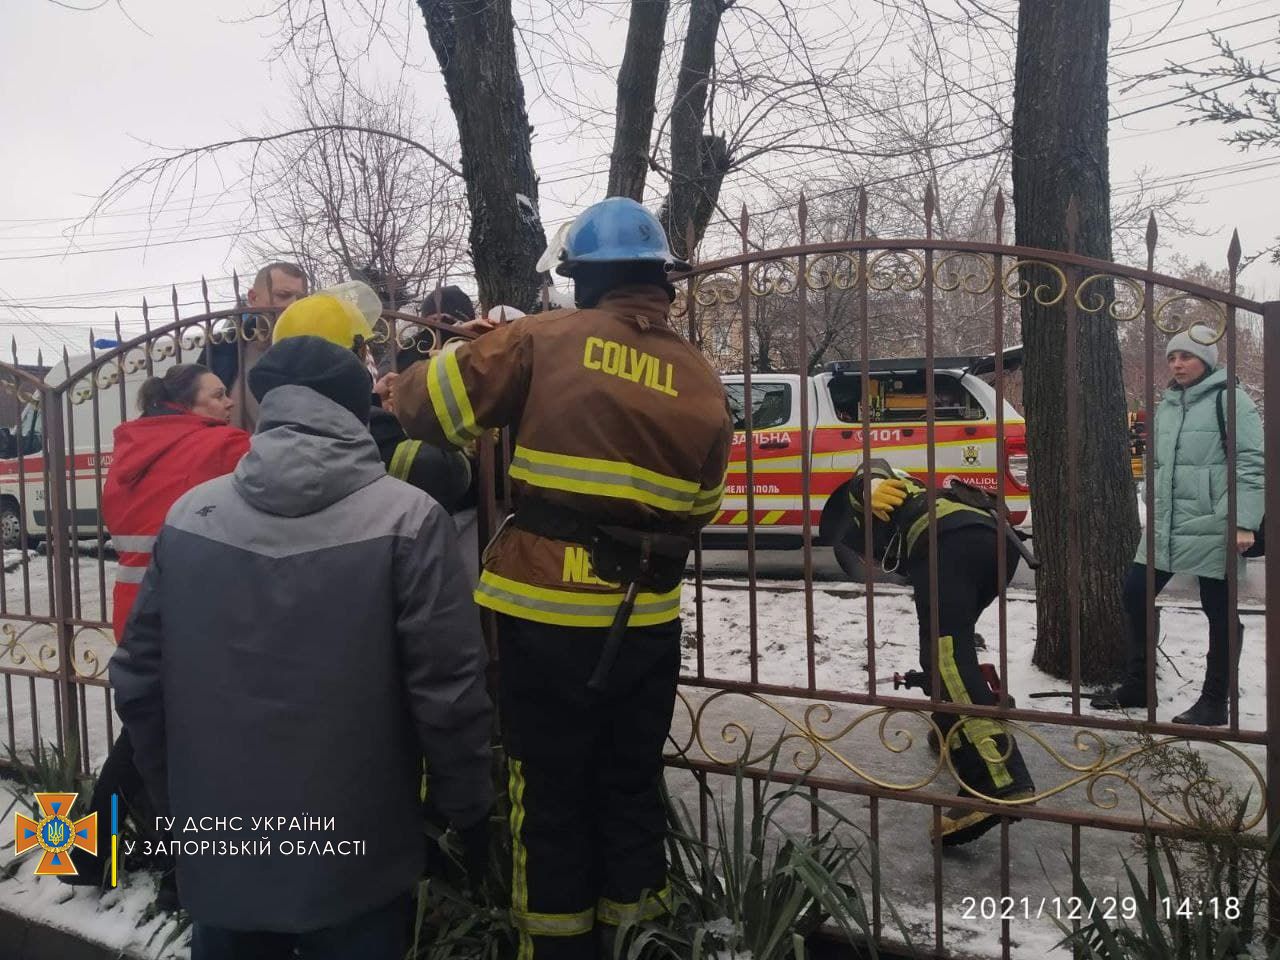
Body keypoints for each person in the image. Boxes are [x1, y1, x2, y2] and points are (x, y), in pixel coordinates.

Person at [391, 196, 732, 959]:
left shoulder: (541, 339)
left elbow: (428, 410)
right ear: (657, 280)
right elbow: (703, 505)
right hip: (646, 620)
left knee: (547, 799)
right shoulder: (701, 378)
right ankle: (636, 943)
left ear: (584, 279)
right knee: (629, 790)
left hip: (546, 615)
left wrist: (457, 353)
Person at [110, 336, 494, 960]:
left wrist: (177, 803)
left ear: (263, 408)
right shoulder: (408, 519)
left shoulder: (188, 518)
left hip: (224, 844)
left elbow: (137, 680)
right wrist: (465, 809)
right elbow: (447, 689)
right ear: (355, 408)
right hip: (358, 851)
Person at [65, 364, 251, 898]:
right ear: (188, 405)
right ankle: (177, 873)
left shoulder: (131, 448)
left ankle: (89, 852)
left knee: (148, 731)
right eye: (217, 395)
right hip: (194, 609)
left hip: (135, 605)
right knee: (180, 744)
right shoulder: (220, 446)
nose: (227, 404)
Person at [839, 460, 1036, 846]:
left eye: (870, 557)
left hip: (952, 544)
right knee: (947, 651)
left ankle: (996, 780)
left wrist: (867, 488)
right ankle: (953, 729)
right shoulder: (927, 499)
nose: (874, 565)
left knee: (946, 656)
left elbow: (872, 467)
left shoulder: (890, 502)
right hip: (996, 546)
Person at [1091, 325, 1264, 725]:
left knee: (1218, 609)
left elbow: (1252, 466)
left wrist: (1243, 522)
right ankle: (1138, 685)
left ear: (1207, 360)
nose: (1177, 363)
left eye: (1185, 356)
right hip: (1168, 520)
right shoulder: (1168, 404)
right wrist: (1152, 495)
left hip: (1214, 520)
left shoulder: (1231, 400)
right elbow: (1156, 462)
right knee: (1135, 591)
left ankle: (1214, 699)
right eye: (1172, 357)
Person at [274, 287, 473, 512]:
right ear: (352, 359)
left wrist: (370, 401)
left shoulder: (265, 441)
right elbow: (452, 473)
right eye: (364, 351)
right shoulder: (378, 437)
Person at [203, 262, 309, 430]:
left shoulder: (312, 350)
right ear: (253, 298)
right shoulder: (222, 348)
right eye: (283, 295)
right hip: (233, 452)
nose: (293, 305)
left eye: (301, 298)